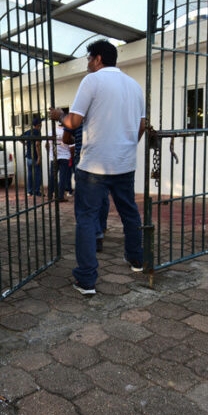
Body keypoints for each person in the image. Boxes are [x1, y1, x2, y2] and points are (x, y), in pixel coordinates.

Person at [49, 40, 146, 295]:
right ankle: (136, 260)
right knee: (130, 213)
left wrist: (59, 115)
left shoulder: (92, 81)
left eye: (89, 59)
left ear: (98, 58)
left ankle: (86, 280)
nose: (87, 64)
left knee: (86, 219)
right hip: (124, 163)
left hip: (94, 165)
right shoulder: (135, 86)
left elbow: (74, 122)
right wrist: (126, 145)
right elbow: (142, 125)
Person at [64, 124, 109, 249]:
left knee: (85, 200)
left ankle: (95, 234)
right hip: (104, 157)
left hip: (84, 157)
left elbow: (66, 138)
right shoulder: (106, 113)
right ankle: (101, 228)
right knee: (103, 196)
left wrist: (79, 139)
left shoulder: (76, 114)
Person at [45, 126, 73, 201]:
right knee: (62, 177)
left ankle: (50, 195)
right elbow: (72, 147)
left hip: (54, 157)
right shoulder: (67, 132)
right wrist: (71, 156)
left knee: (52, 176)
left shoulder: (51, 132)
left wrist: (51, 153)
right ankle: (60, 196)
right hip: (65, 157)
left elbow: (46, 145)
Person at [22, 116, 43, 196]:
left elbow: (20, 138)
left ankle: (29, 191)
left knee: (30, 174)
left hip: (28, 156)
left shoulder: (28, 131)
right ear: (38, 125)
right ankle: (37, 191)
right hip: (35, 156)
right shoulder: (37, 132)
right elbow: (37, 144)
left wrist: (26, 144)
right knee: (37, 174)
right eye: (40, 124)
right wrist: (39, 157)